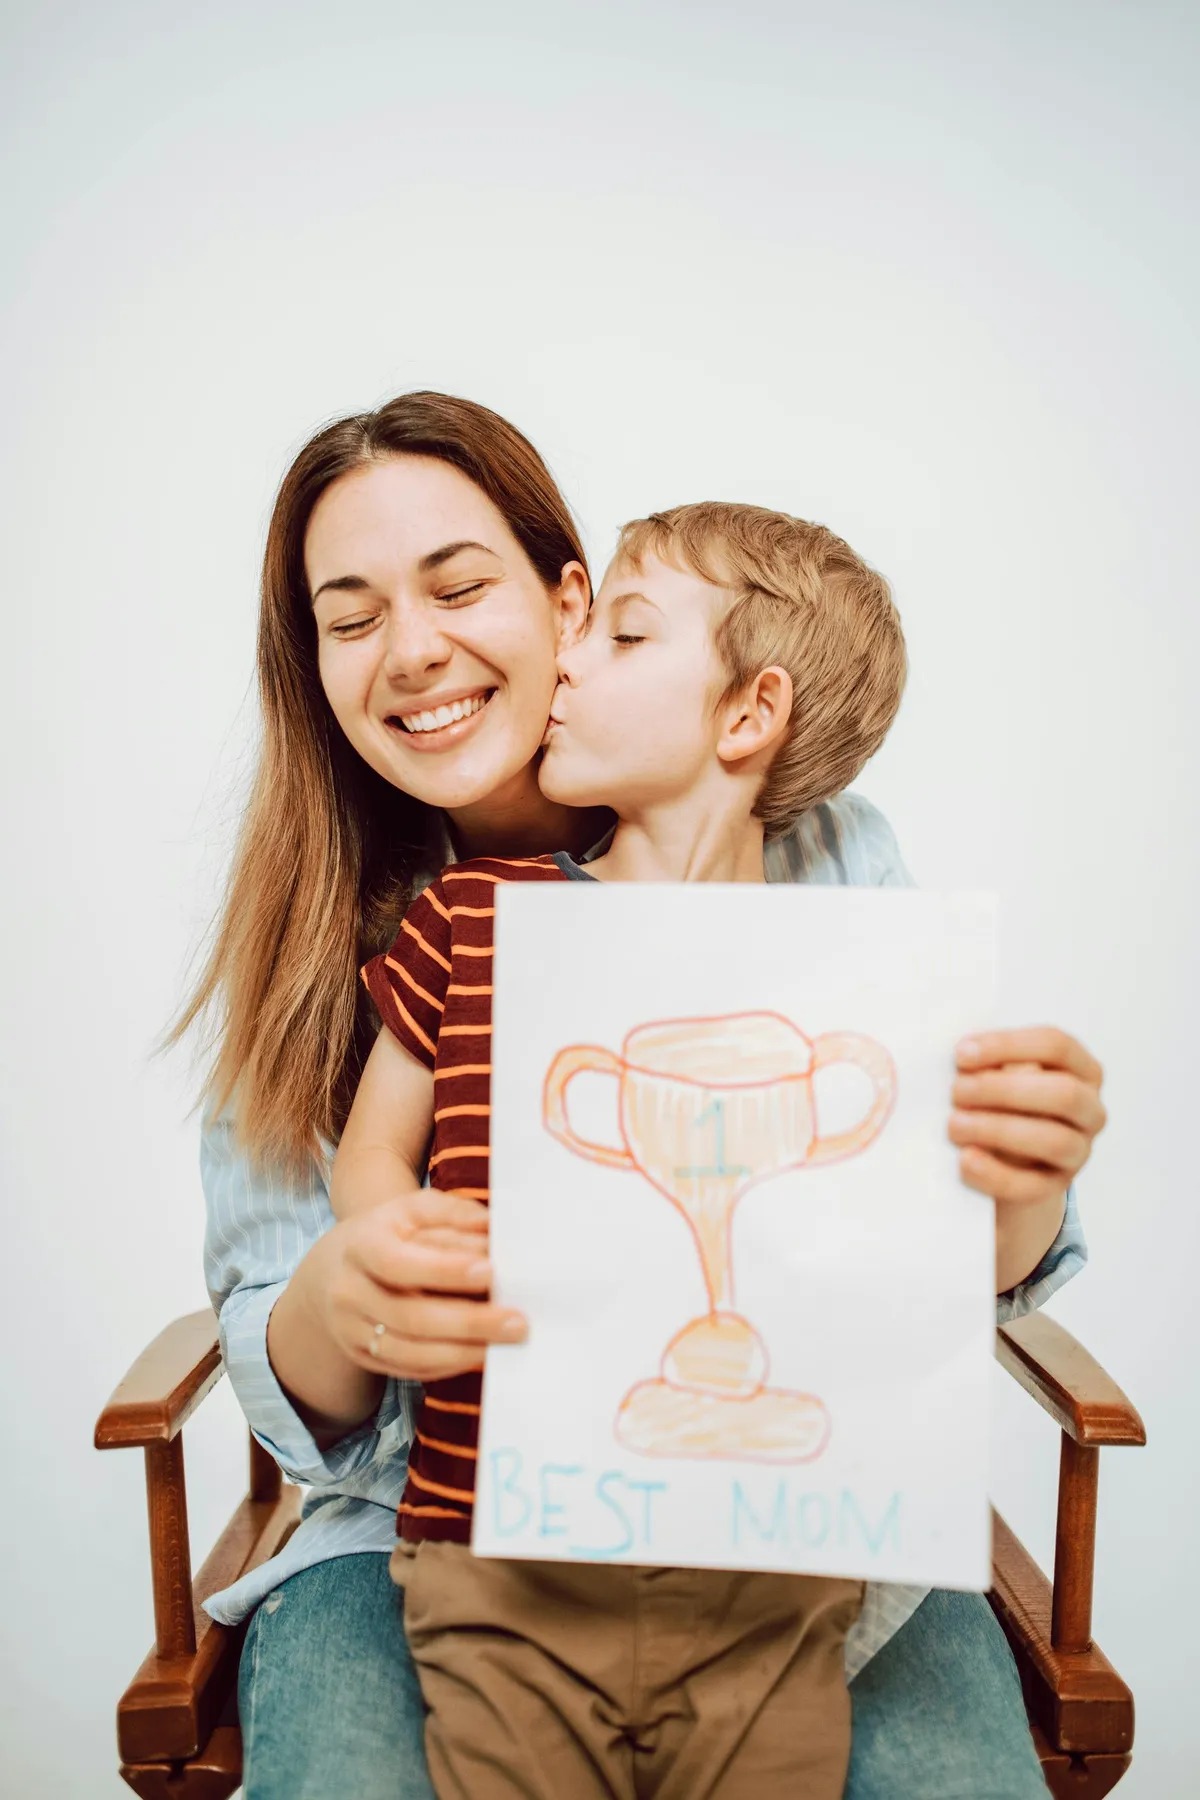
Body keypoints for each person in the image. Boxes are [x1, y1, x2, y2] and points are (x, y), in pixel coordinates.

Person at [190, 392, 1104, 1800]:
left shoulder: (823, 857)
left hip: (792, 1533)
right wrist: (346, 1290)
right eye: (351, 616)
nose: (412, 647)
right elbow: (285, 1329)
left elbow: (944, 1259)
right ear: (312, 666)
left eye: (458, 587)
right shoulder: (356, 931)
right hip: (434, 1531)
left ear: (568, 605)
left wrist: (1022, 1173)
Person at [332, 499, 909, 1798]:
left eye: (625, 635)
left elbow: (889, 1256)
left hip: (771, 1570)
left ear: (748, 715)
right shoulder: (474, 915)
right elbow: (372, 1157)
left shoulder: (848, 976)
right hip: (501, 1556)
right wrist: (392, 1236)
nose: (568, 658)